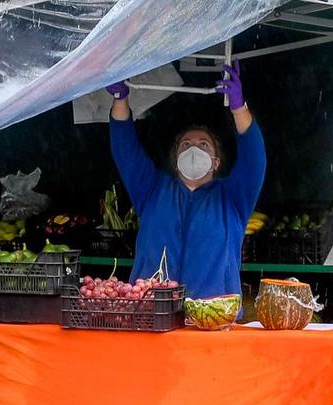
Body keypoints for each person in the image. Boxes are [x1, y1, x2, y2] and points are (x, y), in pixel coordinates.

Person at [104, 64, 264, 299]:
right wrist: (120, 99)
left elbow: (254, 158)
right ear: (176, 159)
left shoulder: (232, 199)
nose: (194, 149)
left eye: (203, 145)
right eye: (186, 145)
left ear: (216, 162)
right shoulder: (153, 191)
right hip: (152, 315)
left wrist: (239, 108)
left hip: (213, 320)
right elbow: (125, 150)